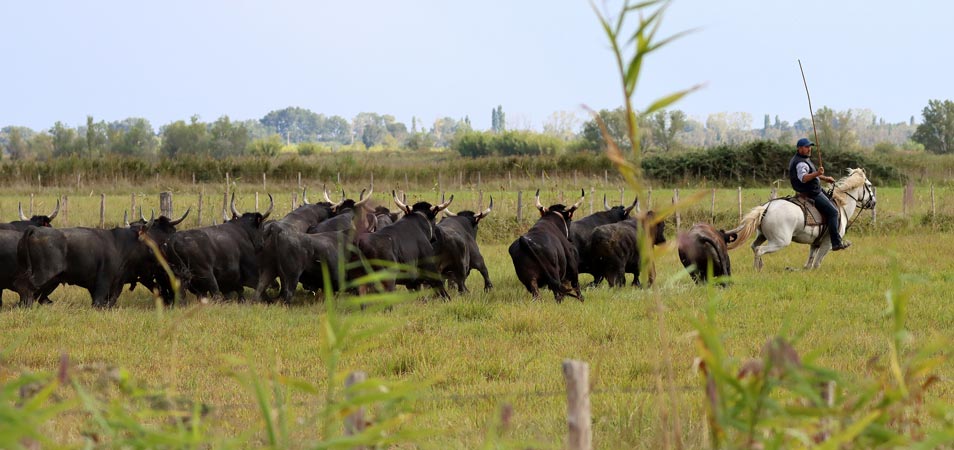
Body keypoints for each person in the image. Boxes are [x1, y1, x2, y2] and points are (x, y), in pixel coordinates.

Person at [788, 138, 850, 251]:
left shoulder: (802, 159)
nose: (809, 149)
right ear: (799, 148)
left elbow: (810, 174)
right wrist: (817, 173)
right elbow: (803, 178)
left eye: (809, 147)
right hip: (812, 193)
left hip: (814, 190)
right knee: (833, 212)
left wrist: (824, 178)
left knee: (831, 202)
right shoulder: (801, 162)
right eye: (806, 147)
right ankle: (836, 242)